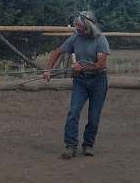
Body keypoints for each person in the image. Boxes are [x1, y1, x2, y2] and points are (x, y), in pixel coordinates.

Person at [43, 10, 110, 159]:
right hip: (80, 81)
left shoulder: (100, 40)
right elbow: (57, 52)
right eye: (76, 26)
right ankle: (71, 145)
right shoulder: (75, 38)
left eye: (80, 26)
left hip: (98, 81)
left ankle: (88, 144)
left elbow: (100, 65)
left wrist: (82, 67)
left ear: (88, 26)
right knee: (73, 112)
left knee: (94, 116)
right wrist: (48, 70)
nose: (77, 29)